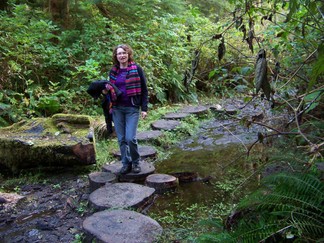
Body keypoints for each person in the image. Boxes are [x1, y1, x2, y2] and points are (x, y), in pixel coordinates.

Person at [103, 44, 148, 174]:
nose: (122, 55)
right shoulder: (113, 71)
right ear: (116, 56)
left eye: (124, 53)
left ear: (128, 54)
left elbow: (144, 90)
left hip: (132, 108)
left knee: (130, 138)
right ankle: (125, 163)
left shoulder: (137, 69)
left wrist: (144, 108)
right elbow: (109, 90)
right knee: (121, 139)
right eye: (119, 54)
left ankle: (135, 162)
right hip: (117, 108)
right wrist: (105, 91)